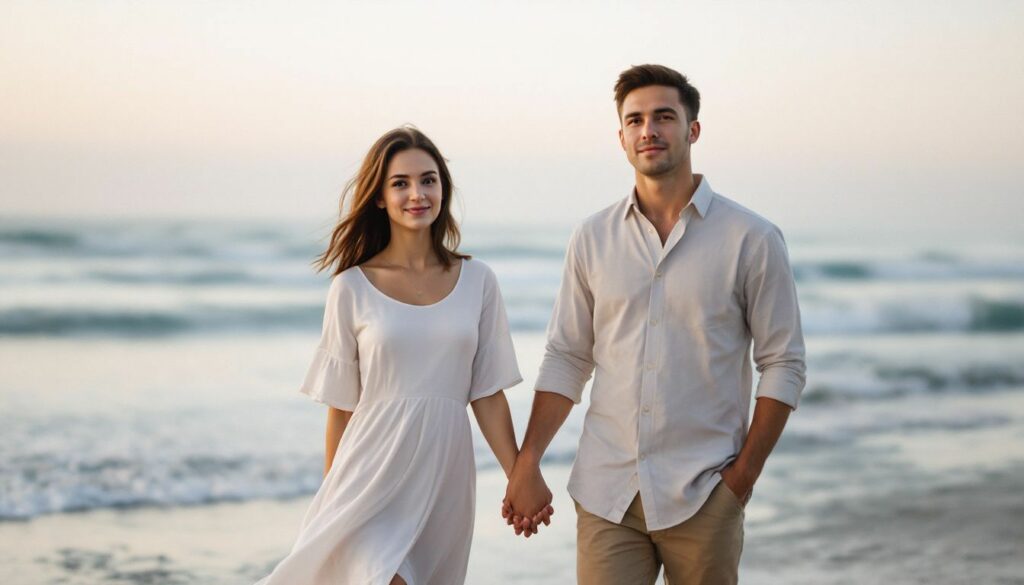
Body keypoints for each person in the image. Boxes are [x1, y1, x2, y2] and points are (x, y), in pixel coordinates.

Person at [502, 64, 807, 584]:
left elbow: (783, 363)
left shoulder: (751, 238)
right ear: (620, 136)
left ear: (693, 129)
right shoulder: (592, 237)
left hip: (705, 491)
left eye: (664, 117)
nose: (649, 130)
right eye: (635, 120)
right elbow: (568, 356)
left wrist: (742, 479)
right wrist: (527, 462)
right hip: (607, 492)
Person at [256, 126, 540, 585]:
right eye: (400, 183)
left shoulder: (478, 281)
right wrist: (333, 497)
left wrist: (518, 476)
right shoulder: (350, 287)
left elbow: (486, 393)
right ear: (379, 198)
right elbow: (342, 410)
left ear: (443, 189)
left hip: (444, 477)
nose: (417, 193)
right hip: (369, 475)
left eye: (428, 180)